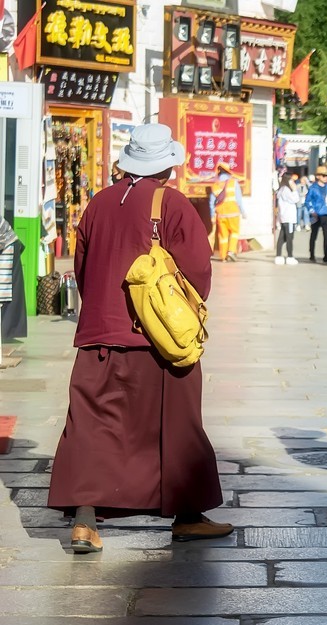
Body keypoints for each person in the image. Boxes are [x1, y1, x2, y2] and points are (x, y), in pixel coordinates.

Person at [47, 123, 233, 554]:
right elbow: (197, 272)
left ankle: (85, 521)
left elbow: (82, 268)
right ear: (167, 165)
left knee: (92, 425)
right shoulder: (172, 204)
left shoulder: (97, 203)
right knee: (177, 424)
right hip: (158, 338)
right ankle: (187, 516)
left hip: (98, 335)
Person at [209, 163, 245, 262]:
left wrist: (212, 215)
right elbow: (239, 200)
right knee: (234, 233)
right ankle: (231, 251)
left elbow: (211, 203)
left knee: (223, 236)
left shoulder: (215, 185)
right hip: (233, 213)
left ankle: (223, 256)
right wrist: (243, 212)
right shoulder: (233, 182)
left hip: (221, 215)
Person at [306, 166, 327, 263]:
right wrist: (312, 211)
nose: (325, 177)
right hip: (315, 214)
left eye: (326, 175)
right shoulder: (313, 188)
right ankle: (312, 254)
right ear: (318, 176)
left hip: (326, 213)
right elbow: (307, 201)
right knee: (314, 235)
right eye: (323, 175)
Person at [274, 173, 300, 265]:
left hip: (285, 217)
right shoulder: (286, 190)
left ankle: (279, 256)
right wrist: (294, 190)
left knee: (282, 237)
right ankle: (290, 256)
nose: (293, 182)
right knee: (289, 238)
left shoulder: (282, 189)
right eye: (291, 180)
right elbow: (295, 199)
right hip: (288, 218)